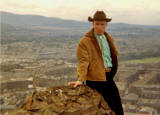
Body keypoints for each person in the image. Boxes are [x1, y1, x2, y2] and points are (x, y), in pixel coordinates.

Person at [68, 10, 124, 115]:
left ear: (106, 25)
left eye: (102, 24)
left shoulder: (108, 38)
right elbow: (83, 61)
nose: (99, 27)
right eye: (97, 24)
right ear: (93, 24)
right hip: (94, 80)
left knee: (117, 108)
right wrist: (80, 79)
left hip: (108, 77)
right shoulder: (85, 41)